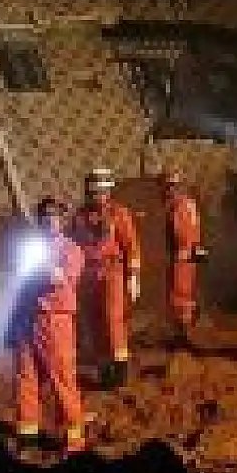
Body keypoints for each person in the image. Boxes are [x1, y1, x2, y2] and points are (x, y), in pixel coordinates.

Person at [13, 197, 88, 456]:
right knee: (26, 376)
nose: (49, 220)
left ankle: (74, 438)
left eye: (54, 215)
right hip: (29, 317)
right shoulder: (33, 248)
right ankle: (28, 434)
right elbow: (21, 281)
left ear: (62, 220)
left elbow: (58, 279)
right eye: (45, 215)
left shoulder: (71, 250)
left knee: (62, 377)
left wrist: (45, 263)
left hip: (56, 319)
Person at [71, 167, 141, 390]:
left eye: (102, 191)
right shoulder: (80, 217)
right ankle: (104, 367)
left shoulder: (119, 214)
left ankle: (120, 369)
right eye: (94, 192)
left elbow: (131, 246)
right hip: (88, 274)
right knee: (95, 321)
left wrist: (133, 276)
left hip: (112, 272)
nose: (98, 196)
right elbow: (73, 246)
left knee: (112, 318)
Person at [160, 169, 205, 346]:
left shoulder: (178, 206)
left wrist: (181, 250)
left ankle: (184, 333)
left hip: (183, 255)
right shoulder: (189, 203)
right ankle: (186, 324)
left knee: (180, 294)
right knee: (185, 292)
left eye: (170, 186)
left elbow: (181, 232)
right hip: (190, 253)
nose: (168, 190)